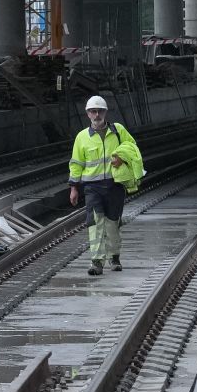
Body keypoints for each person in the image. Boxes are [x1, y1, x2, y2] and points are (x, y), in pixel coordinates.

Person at [67, 95, 143, 276]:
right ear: (88, 114)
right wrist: (73, 188)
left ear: (105, 112)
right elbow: (76, 163)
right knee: (95, 223)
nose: (97, 114)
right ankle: (97, 261)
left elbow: (132, 148)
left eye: (100, 111)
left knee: (112, 223)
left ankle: (114, 257)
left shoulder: (118, 131)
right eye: (93, 111)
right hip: (92, 188)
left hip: (114, 185)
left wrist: (122, 158)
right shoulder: (82, 137)